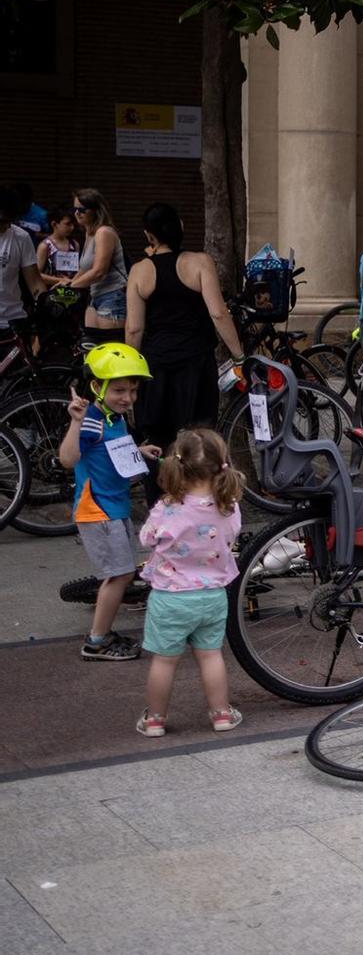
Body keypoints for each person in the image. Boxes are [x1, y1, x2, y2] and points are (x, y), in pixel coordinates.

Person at [133, 428, 245, 736]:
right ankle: (221, 714)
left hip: (170, 597)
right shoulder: (229, 506)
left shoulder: (168, 507)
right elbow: (233, 533)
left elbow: (146, 538)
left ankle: (155, 719)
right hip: (212, 596)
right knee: (211, 656)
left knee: (164, 662)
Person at [63, 343, 160, 662]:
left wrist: (139, 452)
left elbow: (113, 449)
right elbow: (68, 459)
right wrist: (76, 422)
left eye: (132, 390)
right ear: (96, 386)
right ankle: (96, 640)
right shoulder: (91, 419)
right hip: (97, 510)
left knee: (121, 573)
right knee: (118, 575)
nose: (128, 397)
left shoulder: (113, 416)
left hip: (114, 507)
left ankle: (101, 633)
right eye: (119, 390)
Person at [124, 203, 245, 449]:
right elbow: (218, 313)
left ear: (149, 234)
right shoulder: (200, 262)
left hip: (156, 363)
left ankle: (162, 486)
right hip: (196, 362)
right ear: (180, 226)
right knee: (201, 435)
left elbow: (134, 328)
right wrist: (239, 356)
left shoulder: (139, 271)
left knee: (158, 439)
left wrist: (128, 372)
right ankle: (198, 485)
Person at [69, 188, 128, 347]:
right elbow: (85, 270)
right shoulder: (90, 233)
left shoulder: (104, 232)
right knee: (92, 351)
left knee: (110, 351)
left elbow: (99, 271)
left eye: (82, 209)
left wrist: (71, 287)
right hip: (95, 297)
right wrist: (67, 284)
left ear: (95, 210)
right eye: (74, 209)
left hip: (113, 296)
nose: (77, 213)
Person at [0, 188, 46, 337]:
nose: (7, 226)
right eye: (4, 220)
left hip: (12, 322)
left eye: (10, 221)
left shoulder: (21, 237)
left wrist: (46, 305)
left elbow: (35, 283)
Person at [37, 203, 83, 284]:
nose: (72, 227)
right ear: (54, 224)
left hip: (72, 291)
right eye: (67, 224)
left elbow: (79, 269)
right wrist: (60, 281)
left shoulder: (75, 245)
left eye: (73, 224)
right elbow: (37, 274)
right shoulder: (45, 246)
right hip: (52, 292)